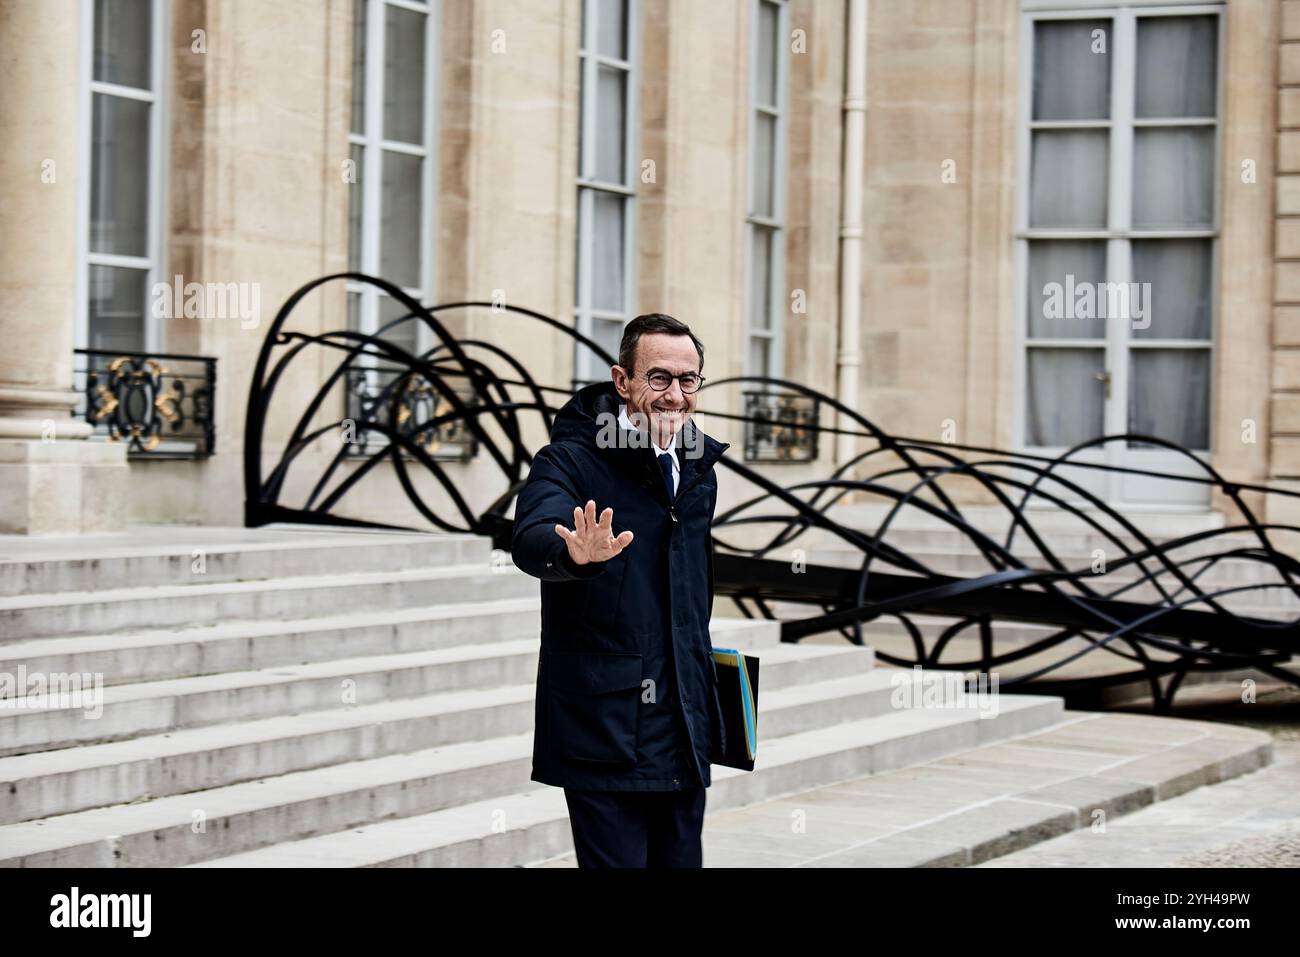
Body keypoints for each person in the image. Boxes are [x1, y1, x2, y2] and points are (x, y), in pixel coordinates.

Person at [510, 312, 731, 867]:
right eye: (658, 378)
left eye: (688, 380)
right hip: (603, 724)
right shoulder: (570, 458)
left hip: (682, 714)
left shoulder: (698, 465)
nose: (674, 396)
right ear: (622, 381)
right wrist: (573, 554)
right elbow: (532, 536)